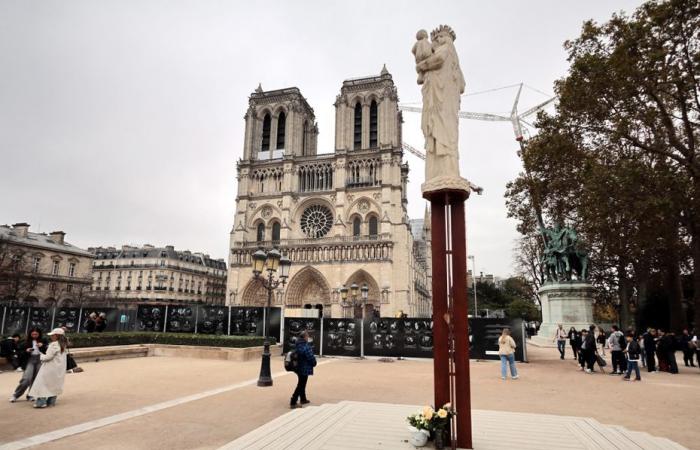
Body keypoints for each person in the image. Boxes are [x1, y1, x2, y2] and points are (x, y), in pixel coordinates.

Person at [28, 328, 68, 408]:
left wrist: (40, 355)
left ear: (57, 336)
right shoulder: (63, 344)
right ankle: (51, 402)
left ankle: (41, 402)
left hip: (49, 368)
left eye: (52, 335)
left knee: (42, 384)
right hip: (59, 369)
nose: (51, 337)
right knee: (54, 384)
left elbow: (47, 357)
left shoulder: (53, 345)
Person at [9, 328, 47, 402]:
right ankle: (16, 395)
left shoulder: (44, 341)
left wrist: (42, 345)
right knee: (26, 379)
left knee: (36, 379)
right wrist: (26, 351)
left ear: (39, 334)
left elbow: (48, 350)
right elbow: (19, 352)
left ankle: (30, 395)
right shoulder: (25, 342)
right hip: (29, 360)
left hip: (40, 360)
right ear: (30, 334)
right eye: (33, 334)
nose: (34, 336)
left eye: (36, 334)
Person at [290, 331, 316, 409]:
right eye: (307, 336)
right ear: (304, 337)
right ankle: (293, 402)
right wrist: (314, 363)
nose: (308, 338)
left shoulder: (297, 344)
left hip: (298, 367)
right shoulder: (306, 346)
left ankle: (303, 399)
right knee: (301, 384)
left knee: (302, 383)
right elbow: (310, 356)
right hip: (304, 367)